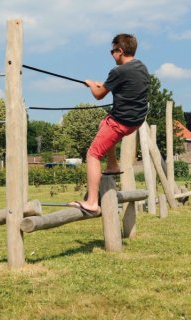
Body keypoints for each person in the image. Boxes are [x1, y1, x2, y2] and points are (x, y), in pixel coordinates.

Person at [69, 33, 150, 216]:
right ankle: (112, 165)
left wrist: (91, 85)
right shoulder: (141, 67)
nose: (111, 54)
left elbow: (99, 95)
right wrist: (102, 85)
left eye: (112, 51)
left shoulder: (118, 71)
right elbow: (120, 86)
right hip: (136, 120)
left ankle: (91, 202)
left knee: (93, 154)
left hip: (121, 121)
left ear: (120, 51)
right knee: (102, 124)